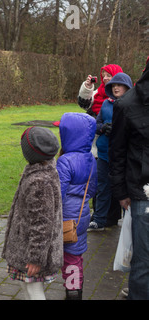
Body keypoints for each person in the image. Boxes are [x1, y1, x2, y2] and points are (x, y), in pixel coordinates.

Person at [2, 126, 63, 300]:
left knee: (34, 290)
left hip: (34, 250)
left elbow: (42, 224)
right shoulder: (43, 170)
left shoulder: (39, 181)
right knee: (26, 286)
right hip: (26, 245)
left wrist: (36, 258)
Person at [109, 58, 149, 300]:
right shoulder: (127, 104)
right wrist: (121, 191)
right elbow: (117, 151)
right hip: (142, 192)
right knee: (144, 260)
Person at [56, 112, 97, 300]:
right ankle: (75, 291)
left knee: (67, 256)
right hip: (82, 215)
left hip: (66, 217)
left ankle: (71, 294)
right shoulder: (90, 158)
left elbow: (58, 193)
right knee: (75, 257)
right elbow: (93, 188)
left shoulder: (65, 160)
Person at [88, 73, 133, 231]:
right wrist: (102, 128)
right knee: (102, 188)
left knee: (125, 189)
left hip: (124, 156)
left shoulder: (132, 105)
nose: (115, 87)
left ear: (127, 87)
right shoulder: (106, 104)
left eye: (119, 85)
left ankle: (129, 223)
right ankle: (99, 220)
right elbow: (97, 123)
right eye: (113, 85)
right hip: (104, 154)